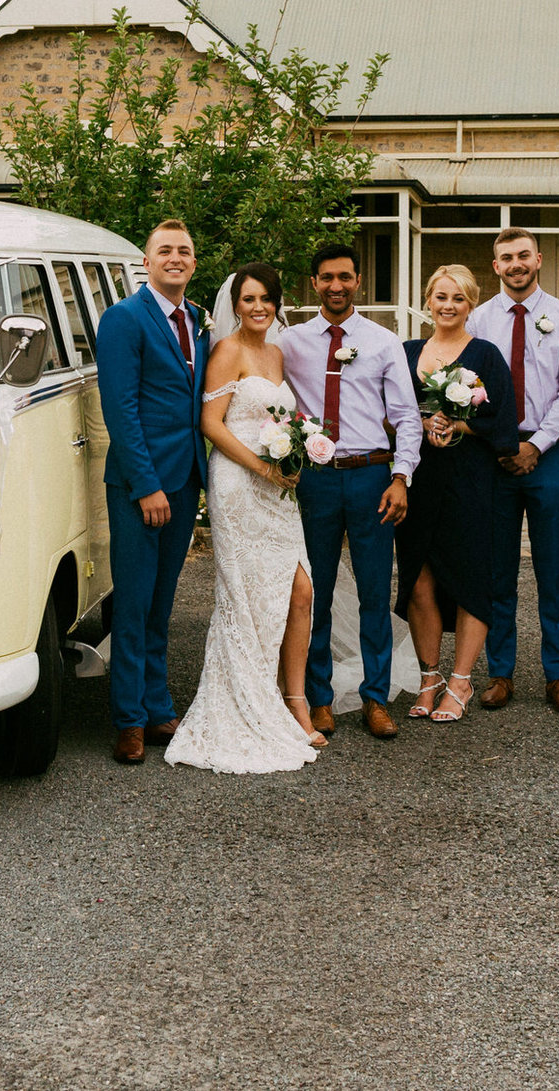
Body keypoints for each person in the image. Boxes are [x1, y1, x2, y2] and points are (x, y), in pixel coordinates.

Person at [166, 266, 324, 772]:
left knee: (300, 590)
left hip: (278, 489)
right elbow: (211, 423)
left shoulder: (276, 354)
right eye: (249, 298)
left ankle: (294, 700)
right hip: (238, 485)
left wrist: (293, 455)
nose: (259, 307)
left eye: (267, 299)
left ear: (277, 304)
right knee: (248, 596)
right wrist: (261, 466)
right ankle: (250, 702)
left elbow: (281, 421)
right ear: (235, 304)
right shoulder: (227, 350)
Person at [281, 242, 422, 741]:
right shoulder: (291, 343)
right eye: (326, 278)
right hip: (315, 480)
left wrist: (401, 478)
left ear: (358, 281)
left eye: (345, 277)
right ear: (313, 283)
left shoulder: (384, 342)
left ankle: (376, 697)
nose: (336, 286)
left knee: (372, 589)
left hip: (371, 477)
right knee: (313, 592)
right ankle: (318, 699)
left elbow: (407, 417)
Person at [94, 219, 210, 764]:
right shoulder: (123, 319)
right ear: (147, 262)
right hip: (143, 484)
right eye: (164, 250)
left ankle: (159, 706)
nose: (175, 258)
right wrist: (146, 486)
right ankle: (129, 719)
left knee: (162, 602)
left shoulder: (195, 320)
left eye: (183, 251)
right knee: (134, 603)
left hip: (186, 478)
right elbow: (121, 408)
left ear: (192, 262)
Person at [467, 228, 559, 715]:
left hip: (547, 454)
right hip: (493, 456)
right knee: (497, 569)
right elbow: (469, 386)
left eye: (523, 255)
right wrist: (501, 443)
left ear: (537, 259)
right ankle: (500, 673)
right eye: (505, 258)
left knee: (551, 569)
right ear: (494, 266)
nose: (515, 264)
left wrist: (537, 445)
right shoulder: (478, 318)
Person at [399, 265, 518, 723]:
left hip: (470, 481)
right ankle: (430, 679)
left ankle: (463, 680)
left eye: (458, 299)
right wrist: (419, 423)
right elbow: (388, 410)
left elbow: (504, 421)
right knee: (419, 580)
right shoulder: (407, 351)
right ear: (427, 300)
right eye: (440, 296)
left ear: (471, 304)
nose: (448, 305)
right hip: (418, 480)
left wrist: (460, 423)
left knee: (471, 578)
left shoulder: (485, 355)